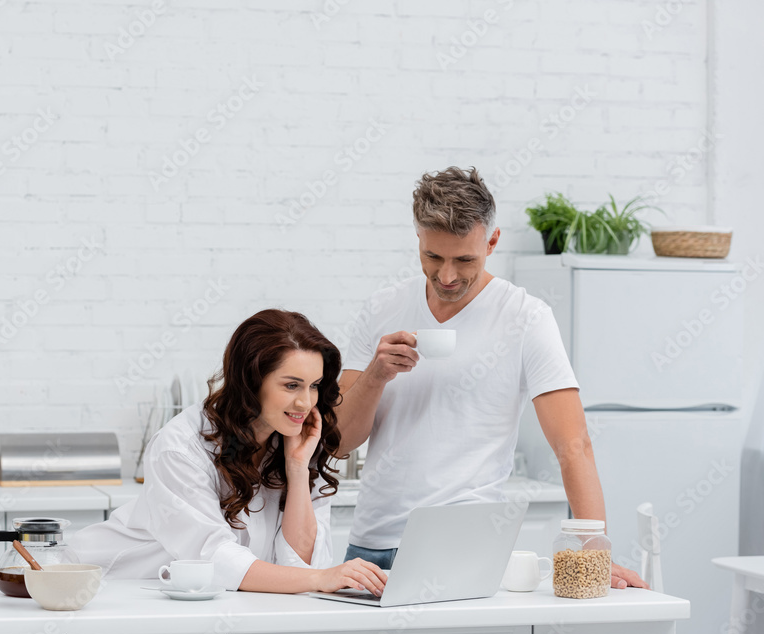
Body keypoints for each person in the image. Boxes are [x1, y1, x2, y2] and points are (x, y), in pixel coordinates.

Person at [336, 167, 647, 589]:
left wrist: (593, 549)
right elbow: (337, 442)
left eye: (464, 259)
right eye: (433, 257)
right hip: (369, 548)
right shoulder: (382, 308)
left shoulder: (525, 318)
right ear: (419, 241)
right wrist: (376, 374)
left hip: (462, 545)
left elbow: (573, 445)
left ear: (492, 241)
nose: (447, 276)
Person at [72, 309, 387, 595]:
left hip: (205, 602)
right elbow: (215, 561)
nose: (306, 403)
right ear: (252, 381)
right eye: (292, 386)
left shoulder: (297, 441)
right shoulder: (180, 447)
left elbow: (301, 564)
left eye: (314, 385)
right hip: (103, 588)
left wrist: (297, 466)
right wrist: (321, 579)